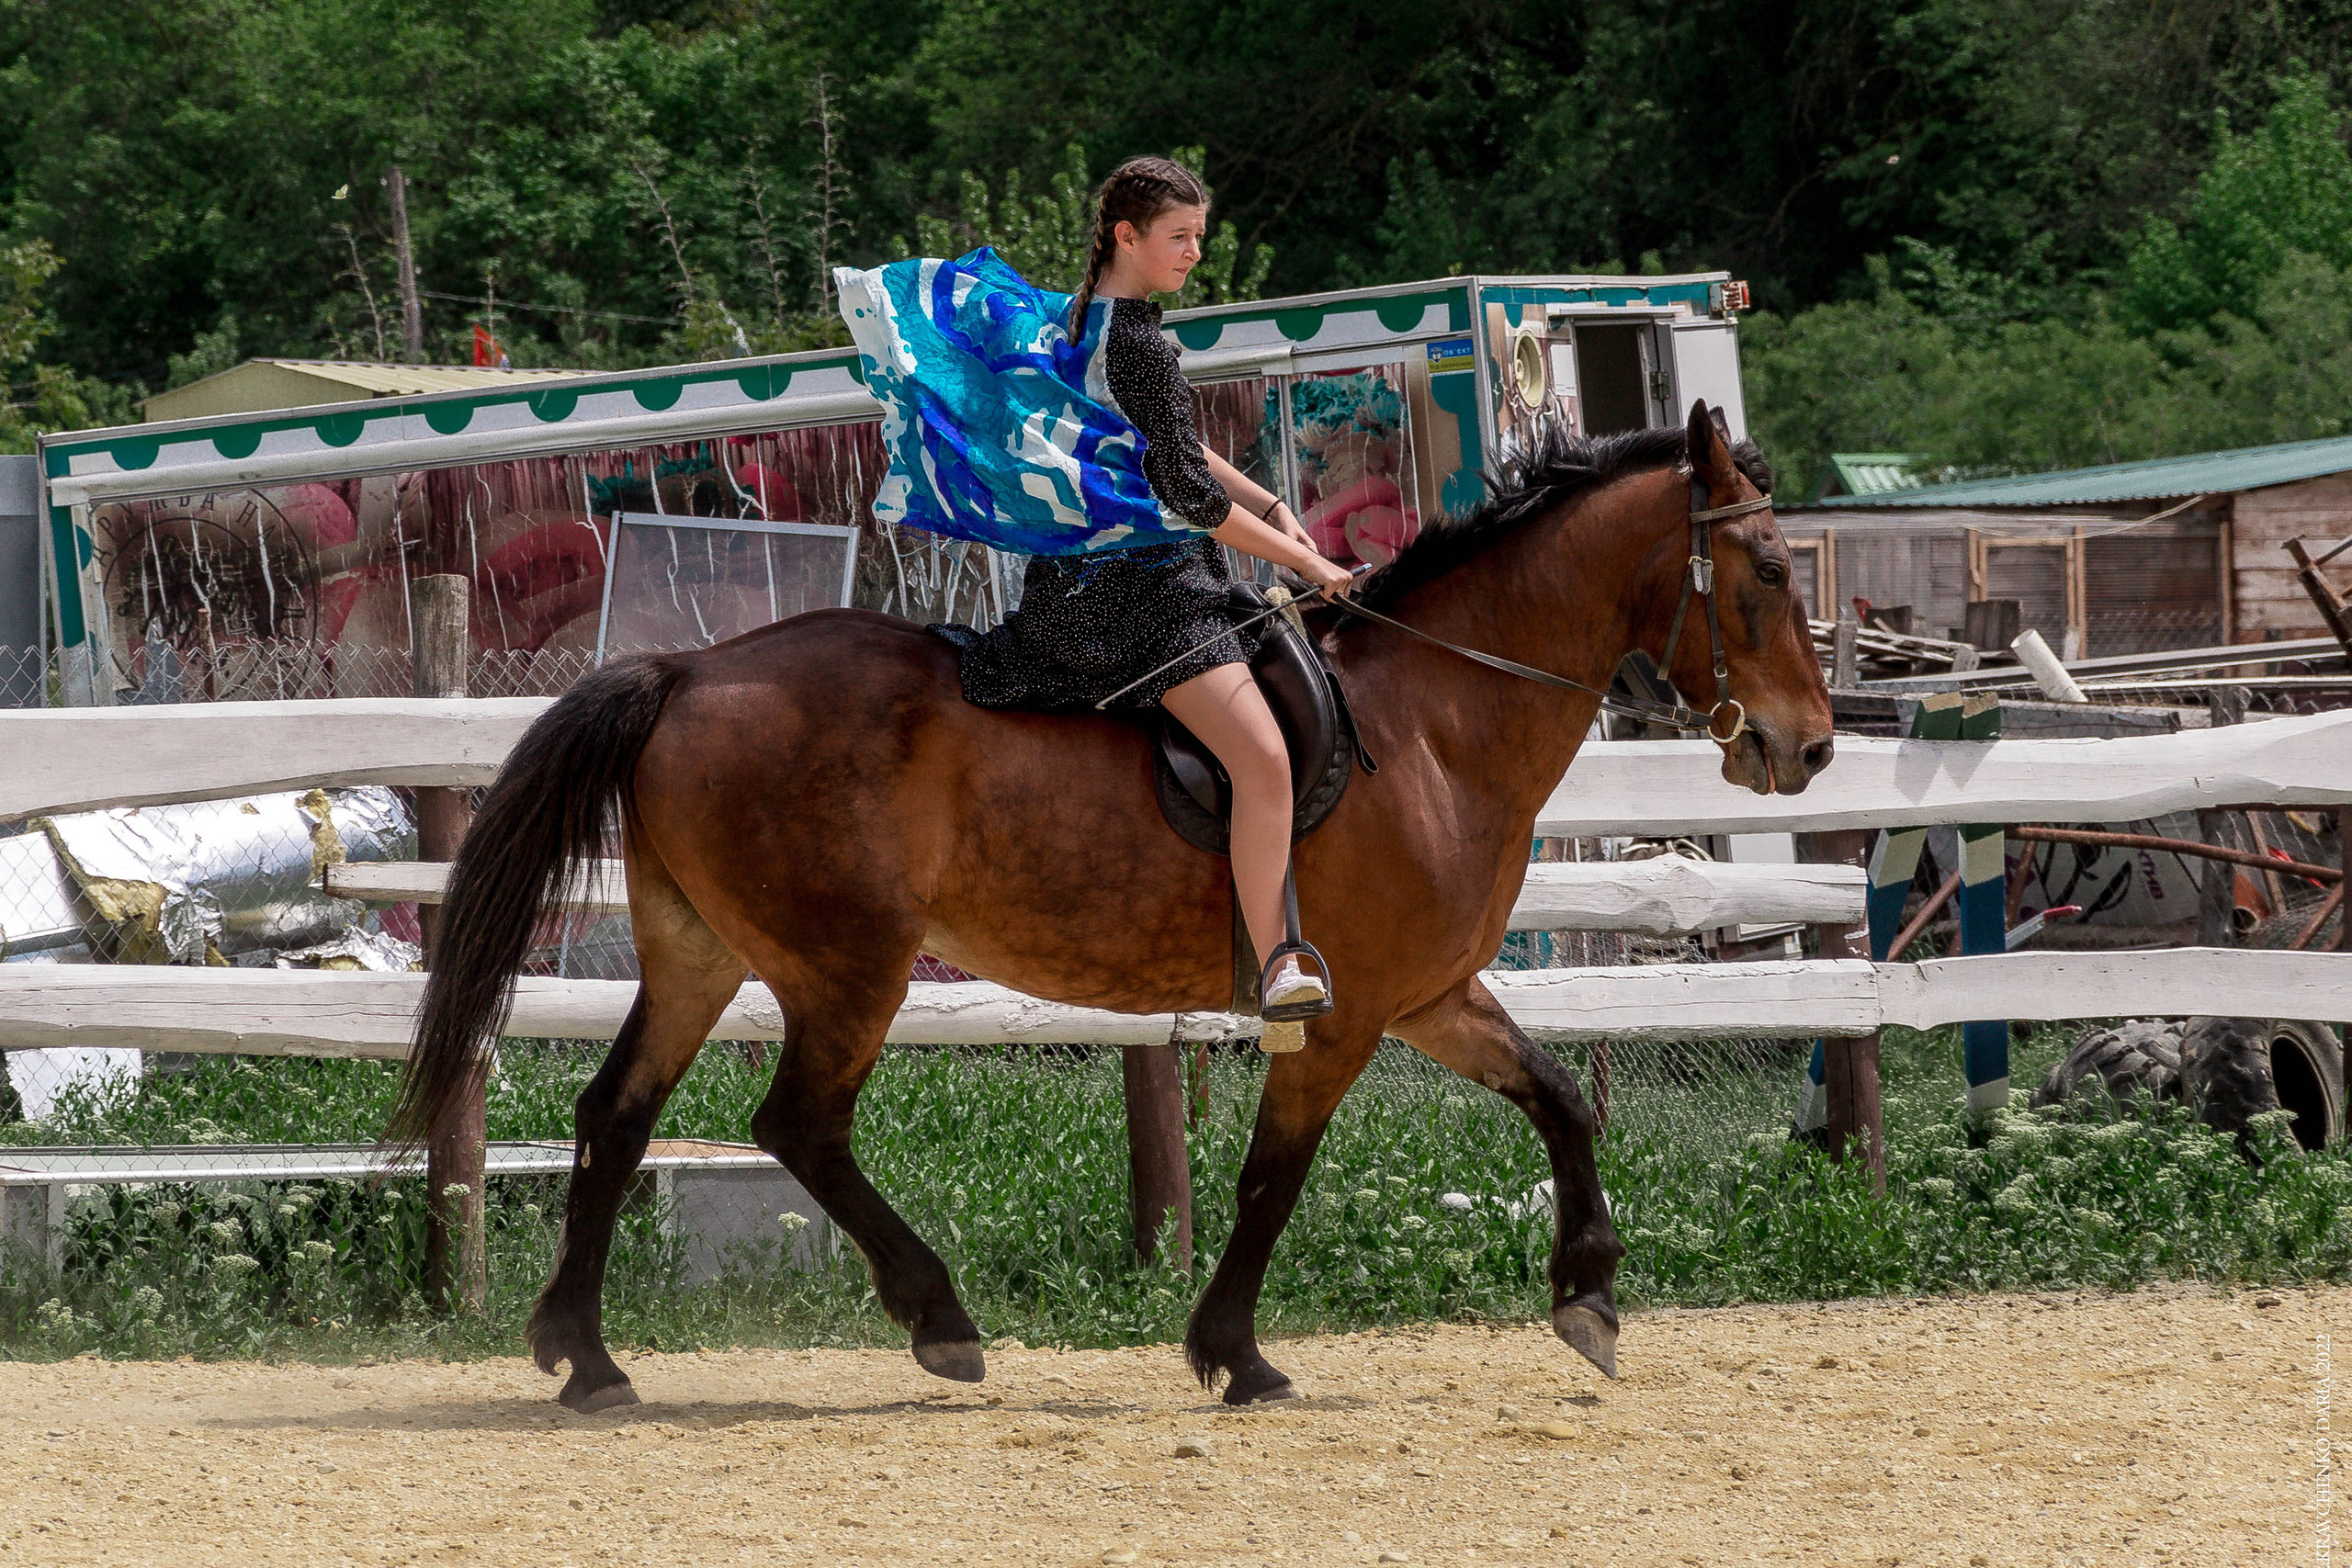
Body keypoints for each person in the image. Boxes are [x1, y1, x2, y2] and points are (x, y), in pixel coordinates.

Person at [912, 157, 1353, 1019]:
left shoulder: (1079, 319)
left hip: (1069, 589)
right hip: (1144, 599)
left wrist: (1270, 503)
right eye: (1180, 237)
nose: (1195, 254)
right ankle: (1278, 962)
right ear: (1127, 234)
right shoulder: (1139, 342)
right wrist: (1308, 564)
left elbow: (1168, 444)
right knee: (1264, 762)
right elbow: (1188, 497)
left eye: (1199, 237)